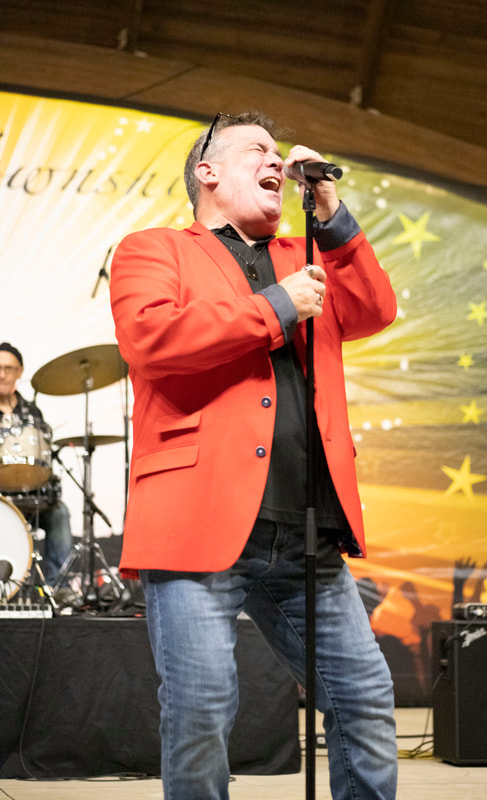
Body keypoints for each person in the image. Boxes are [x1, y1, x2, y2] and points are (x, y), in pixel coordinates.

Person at [110, 111, 398, 800]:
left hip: (306, 531)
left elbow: (373, 309)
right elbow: (153, 338)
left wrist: (330, 215)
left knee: (363, 701)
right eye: (257, 150)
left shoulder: (305, 256)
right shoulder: (154, 249)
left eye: (279, 154)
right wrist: (276, 307)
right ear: (207, 172)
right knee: (200, 713)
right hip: (197, 524)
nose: (276, 160)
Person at [0, 342, 72, 585]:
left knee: (60, 513)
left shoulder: (32, 412)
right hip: (0, 498)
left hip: (31, 494)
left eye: (8, 368)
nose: (2, 374)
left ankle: (58, 587)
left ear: (19, 371)